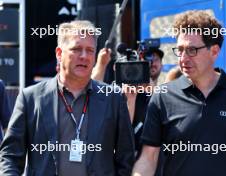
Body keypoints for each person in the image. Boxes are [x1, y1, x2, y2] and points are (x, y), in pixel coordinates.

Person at [0, 20, 135, 176]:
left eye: (90, 50)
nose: (84, 56)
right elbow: (10, 156)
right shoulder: (30, 98)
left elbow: (126, 157)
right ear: (59, 53)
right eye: (76, 49)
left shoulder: (113, 99)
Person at [133, 10, 226, 176]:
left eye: (191, 50)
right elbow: (148, 157)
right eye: (180, 50)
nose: (183, 59)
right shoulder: (162, 96)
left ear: (214, 52)